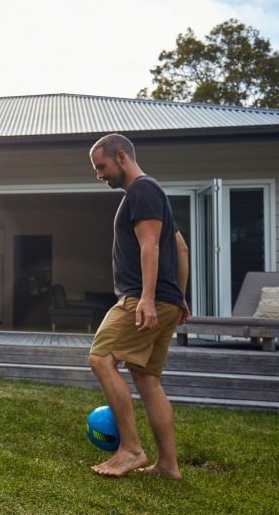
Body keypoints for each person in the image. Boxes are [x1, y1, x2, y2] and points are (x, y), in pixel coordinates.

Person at [87, 133, 190, 479]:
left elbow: (151, 247)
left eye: (101, 167)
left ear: (121, 156)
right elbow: (182, 249)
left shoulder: (141, 191)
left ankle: (131, 449)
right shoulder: (153, 192)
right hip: (166, 299)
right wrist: (178, 296)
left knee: (100, 357)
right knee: (146, 379)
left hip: (143, 298)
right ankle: (168, 466)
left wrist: (147, 298)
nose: (100, 175)